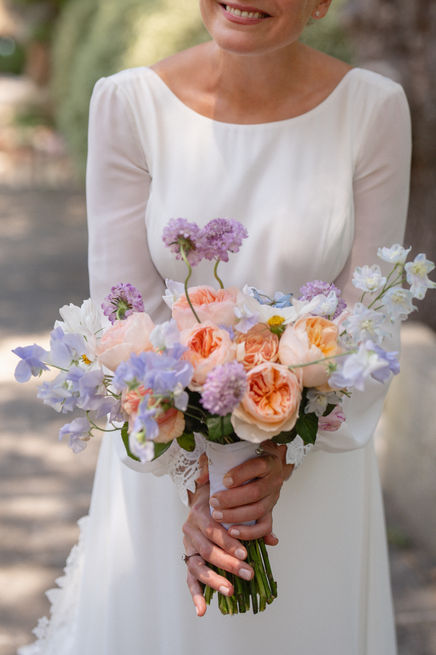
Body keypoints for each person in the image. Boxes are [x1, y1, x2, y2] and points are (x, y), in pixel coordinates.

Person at [19, 1, 411, 653]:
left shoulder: (372, 111)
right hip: (165, 462)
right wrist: (199, 486)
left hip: (315, 474)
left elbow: (372, 317)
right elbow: (125, 321)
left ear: (322, 2)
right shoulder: (129, 105)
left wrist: (281, 459)